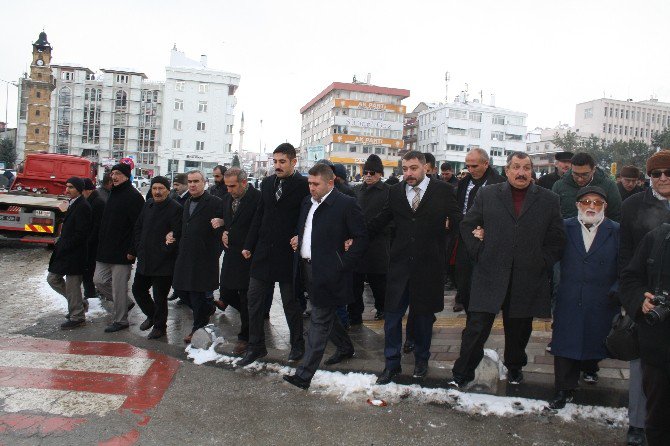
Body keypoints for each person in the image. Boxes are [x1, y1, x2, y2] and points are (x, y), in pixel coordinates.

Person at [450, 152, 565, 388]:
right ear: (507, 170)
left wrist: (542, 261)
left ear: (532, 171)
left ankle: (514, 367)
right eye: (516, 167)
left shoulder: (548, 199)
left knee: (519, 330)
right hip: (490, 272)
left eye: (526, 167)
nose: (521, 172)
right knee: (476, 327)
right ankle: (462, 371)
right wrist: (479, 251)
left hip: (527, 275)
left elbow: (557, 238)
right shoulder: (488, 194)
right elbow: (468, 223)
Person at [368, 151, 459, 384]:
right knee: (391, 317)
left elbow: (457, 223)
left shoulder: (444, 191)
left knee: (423, 319)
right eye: (405, 168)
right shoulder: (395, 191)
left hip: (429, 267)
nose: (408, 173)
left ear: (425, 167)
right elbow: (382, 219)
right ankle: (391, 365)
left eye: (413, 168)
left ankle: (421, 360)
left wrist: (445, 251)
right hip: (399, 266)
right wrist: (354, 234)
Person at [283, 163, 368, 389]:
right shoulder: (307, 202)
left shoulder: (345, 204)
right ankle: (345, 346)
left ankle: (304, 375)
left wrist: (343, 264)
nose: (311, 188)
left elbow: (361, 237)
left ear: (330, 183)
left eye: (315, 184)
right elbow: (306, 230)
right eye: (309, 183)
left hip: (330, 272)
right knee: (326, 313)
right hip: (306, 268)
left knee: (318, 321)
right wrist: (298, 240)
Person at [548, 186, 620, 409]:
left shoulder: (616, 230)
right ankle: (563, 388)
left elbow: (624, 264)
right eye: (586, 202)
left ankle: (590, 367)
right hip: (568, 296)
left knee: (594, 338)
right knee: (564, 343)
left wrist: (616, 291)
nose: (591, 206)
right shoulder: (564, 226)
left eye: (597, 203)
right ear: (578, 205)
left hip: (601, 297)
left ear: (604, 207)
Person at [239, 143, 309, 366]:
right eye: (275, 161)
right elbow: (261, 214)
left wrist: (301, 237)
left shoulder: (303, 185)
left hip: (288, 253)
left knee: (291, 303)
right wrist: (249, 244)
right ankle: (256, 346)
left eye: (282, 162)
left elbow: (308, 217)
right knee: (254, 299)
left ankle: (298, 345)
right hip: (263, 252)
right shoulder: (268, 183)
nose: (277, 166)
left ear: (293, 162)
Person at [619, 150, 670, 446]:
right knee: (642, 367)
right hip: (646, 298)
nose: (663, 179)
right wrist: (632, 298)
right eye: (656, 174)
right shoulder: (632, 206)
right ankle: (638, 423)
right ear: (647, 177)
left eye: (668, 173)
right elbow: (624, 255)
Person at [170, 170, 224, 343]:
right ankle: (208, 307)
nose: (192, 184)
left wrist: (214, 252)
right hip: (185, 254)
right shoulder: (186, 202)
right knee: (180, 290)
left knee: (196, 293)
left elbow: (224, 227)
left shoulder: (215, 202)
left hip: (204, 257)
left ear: (204, 182)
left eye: (196, 181)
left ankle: (197, 327)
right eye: (190, 181)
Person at [93, 163, 144, 333]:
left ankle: (121, 320)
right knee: (99, 281)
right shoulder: (112, 193)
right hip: (105, 250)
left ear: (126, 176)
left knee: (119, 287)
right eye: (112, 173)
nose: (114, 177)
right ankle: (126, 303)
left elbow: (138, 226)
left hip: (123, 252)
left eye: (118, 174)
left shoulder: (134, 197)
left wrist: (132, 250)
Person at [130, 176, 182, 340]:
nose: (157, 192)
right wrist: (138, 247)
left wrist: (164, 250)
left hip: (164, 261)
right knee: (138, 289)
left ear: (168, 190)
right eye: (154, 188)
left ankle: (160, 327)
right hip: (145, 257)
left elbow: (176, 235)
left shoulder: (175, 208)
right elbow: (138, 227)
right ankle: (153, 315)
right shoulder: (149, 204)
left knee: (160, 297)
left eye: (161, 188)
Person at [453, 148, 505, 313]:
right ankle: (469, 314)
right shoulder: (463, 183)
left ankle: (481, 317)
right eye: (467, 166)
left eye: (474, 166)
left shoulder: (500, 183)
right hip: (464, 239)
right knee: (464, 280)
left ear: (486, 163)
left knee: (485, 282)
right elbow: (457, 207)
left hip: (488, 240)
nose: (470, 170)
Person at [217, 168, 261, 355]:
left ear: (244, 183)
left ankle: (246, 337)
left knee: (245, 296)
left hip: (249, 254)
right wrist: (224, 232)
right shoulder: (227, 199)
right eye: (227, 186)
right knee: (225, 291)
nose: (229, 190)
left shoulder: (257, 198)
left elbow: (258, 226)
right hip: (231, 253)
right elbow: (228, 223)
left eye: (233, 186)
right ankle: (252, 316)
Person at [47, 177, 92, 329]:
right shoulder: (74, 203)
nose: (67, 190)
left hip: (75, 253)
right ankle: (78, 305)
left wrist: (65, 245)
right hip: (67, 251)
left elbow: (81, 233)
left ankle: (77, 316)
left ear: (79, 189)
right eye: (67, 187)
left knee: (72, 285)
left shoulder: (83, 206)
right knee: (53, 278)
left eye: (71, 187)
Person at [350, 154, 390, 323]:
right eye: (365, 172)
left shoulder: (388, 191)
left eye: (372, 172)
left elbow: (387, 217)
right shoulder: (356, 190)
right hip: (358, 244)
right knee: (354, 283)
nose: (368, 175)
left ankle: (383, 308)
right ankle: (354, 315)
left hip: (377, 244)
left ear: (380, 174)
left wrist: (367, 231)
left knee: (378, 282)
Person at [552, 152, 622, 221]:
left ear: (593, 170)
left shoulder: (609, 186)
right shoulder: (559, 186)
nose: (580, 179)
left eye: (585, 175)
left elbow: (615, 215)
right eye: (575, 174)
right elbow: (553, 214)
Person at [81, 178, 105, 300]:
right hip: (90, 242)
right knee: (87, 268)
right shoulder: (92, 200)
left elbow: (97, 226)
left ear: (88, 190)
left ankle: (90, 293)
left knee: (89, 268)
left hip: (94, 243)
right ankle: (89, 292)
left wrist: (89, 241)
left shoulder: (97, 203)